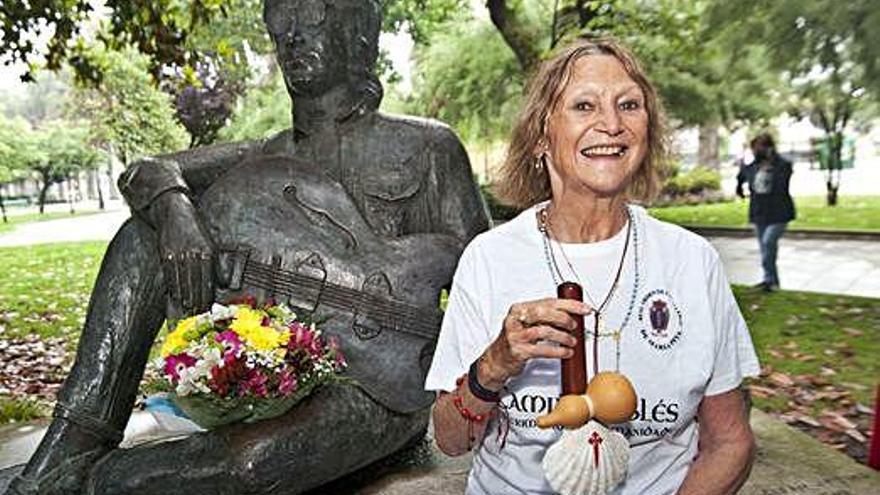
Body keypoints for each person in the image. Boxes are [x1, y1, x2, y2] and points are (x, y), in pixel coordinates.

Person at [7, 1, 489, 494]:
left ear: (359, 35)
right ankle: (75, 440)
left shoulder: (428, 146)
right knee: (142, 236)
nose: (294, 38)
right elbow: (146, 170)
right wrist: (176, 213)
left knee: (252, 466)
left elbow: (486, 278)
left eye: (314, 19)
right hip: (273, 378)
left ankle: (96, 481)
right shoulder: (265, 154)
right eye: (283, 25)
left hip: (379, 390)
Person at [426, 38, 760, 494]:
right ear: (542, 137)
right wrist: (494, 366)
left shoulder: (691, 262)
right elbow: (450, 441)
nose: (611, 124)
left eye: (629, 105)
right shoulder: (490, 259)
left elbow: (730, 443)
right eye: (584, 106)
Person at [736, 133, 795, 292]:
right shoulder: (753, 166)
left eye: (759, 147)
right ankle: (771, 282)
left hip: (779, 213)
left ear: (769, 148)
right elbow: (742, 176)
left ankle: (769, 280)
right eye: (754, 148)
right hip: (759, 213)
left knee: (769, 242)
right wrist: (740, 187)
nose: (756, 151)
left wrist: (772, 162)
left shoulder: (782, 165)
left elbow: (783, 183)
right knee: (765, 249)